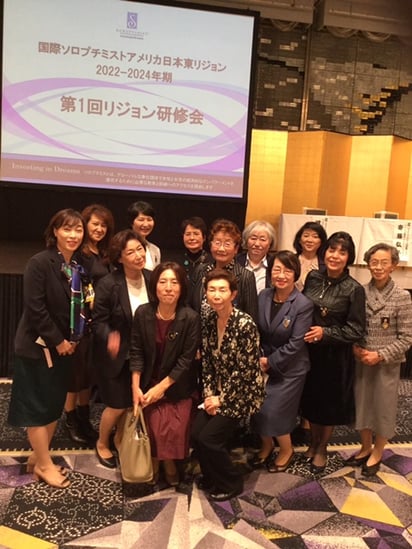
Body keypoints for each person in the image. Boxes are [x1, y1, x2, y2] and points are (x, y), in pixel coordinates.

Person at [8, 209, 86, 488]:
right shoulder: (39, 262)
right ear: (55, 231)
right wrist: (58, 341)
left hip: (64, 348)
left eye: (78, 229)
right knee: (37, 408)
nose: (73, 235)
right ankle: (43, 464)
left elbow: (77, 307)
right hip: (38, 348)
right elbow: (36, 309)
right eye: (67, 229)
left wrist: (75, 338)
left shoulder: (75, 266)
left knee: (53, 405)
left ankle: (38, 456)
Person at [191, 269, 265, 502]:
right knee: (196, 434)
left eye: (222, 290)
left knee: (209, 439)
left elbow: (245, 371)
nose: (216, 295)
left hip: (242, 394)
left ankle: (231, 482)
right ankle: (212, 476)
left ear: (233, 294)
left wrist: (221, 399)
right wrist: (209, 395)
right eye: (211, 290)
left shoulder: (245, 324)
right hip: (216, 392)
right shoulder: (209, 321)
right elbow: (208, 364)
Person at [129, 262, 201, 486]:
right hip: (147, 382)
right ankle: (159, 461)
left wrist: (161, 388)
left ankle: (166, 462)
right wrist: (135, 387)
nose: (168, 287)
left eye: (174, 282)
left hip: (177, 386)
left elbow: (185, 360)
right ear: (155, 286)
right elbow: (136, 351)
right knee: (152, 423)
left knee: (174, 427)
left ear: (182, 288)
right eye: (163, 282)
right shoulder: (143, 313)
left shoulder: (190, 317)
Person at [301, 231, 366, 473]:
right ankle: (313, 441)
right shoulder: (313, 277)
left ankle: (322, 448)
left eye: (342, 252)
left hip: (335, 357)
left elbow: (356, 329)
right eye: (331, 249)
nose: (335, 256)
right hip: (310, 352)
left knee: (328, 405)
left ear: (349, 257)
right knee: (311, 400)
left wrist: (325, 333)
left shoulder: (354, 289)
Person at [348, 243, 412, 476]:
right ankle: (365, 447)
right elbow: (353, 326)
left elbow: (407, 337)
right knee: (362, 405)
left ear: (393, 266)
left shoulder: (402, 297)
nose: (378, 267)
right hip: (362, 360)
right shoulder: (360, 292)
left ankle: (378, 451)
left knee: (383, 408)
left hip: (387, 364)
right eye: (374, 262)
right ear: (368, 264)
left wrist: (381, 355)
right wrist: (355, 348)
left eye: (384, 262)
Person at [250, 251, 313, 472]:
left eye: (287, 270)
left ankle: (286, 450)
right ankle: (267, 446)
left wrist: (270, 361)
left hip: (290, 367)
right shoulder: (264, 295)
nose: (281, 275)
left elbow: (296, 343)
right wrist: (257, 356)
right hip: (262, 362)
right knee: (256, 406)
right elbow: (256, 329)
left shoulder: (303, 304)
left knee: (274, 410)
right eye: (277, 269)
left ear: (295, 274)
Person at [92, 229, 151, 468]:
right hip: (116, 355)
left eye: (140, 249)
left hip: (144, 354)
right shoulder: (109, 284)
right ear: (119, 258)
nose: (138, 255)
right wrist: (110, 336)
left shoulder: (153, 278)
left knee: (131, 404)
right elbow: (98, 322)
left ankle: (119, 438)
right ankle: (102, 442)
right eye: (131, 252)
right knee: (116, 405)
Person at [64, 203, 115, 444]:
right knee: (75, 375)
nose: (99, 229)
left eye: (104, 225)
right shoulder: (79, 253)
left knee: (88, 373)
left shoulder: (103, 252)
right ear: (85, 224)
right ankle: (70, 419)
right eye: (95, 224)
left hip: (99, 321)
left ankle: (84, 418)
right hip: (80, 320)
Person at [190, 219, 258, 323]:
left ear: (236, 249)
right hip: (199, 331)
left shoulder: (246, 276)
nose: (221, 249)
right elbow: (191, 306)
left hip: (231, 332)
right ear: (211, 245)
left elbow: (251, 316)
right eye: (217, 243)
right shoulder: (200, 270)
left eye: (227, 244)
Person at [236, 220, 277, 294]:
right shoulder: (236, 261)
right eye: (253, 238)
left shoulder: (275, 263)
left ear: (270, 243)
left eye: (262, 240)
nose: (257, 244)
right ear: (246, 240)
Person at [293, 221, 327, 291]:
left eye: (315, 237)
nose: (310, 240)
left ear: (321, 242)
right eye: (306, 236)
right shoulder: (290, 260)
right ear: (299, 240)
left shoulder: (326, 264)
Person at [127, 200, 161, 270]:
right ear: (131, 222)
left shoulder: (155, 250)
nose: (146, 224)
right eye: (141, 220)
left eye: (149, 219)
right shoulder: (123, 246)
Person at [178, 216, 212, 283]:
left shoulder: (212, 262)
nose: (192, 238)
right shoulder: (176, 263)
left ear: (204, 238)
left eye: (196, 234)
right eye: (188, 234)